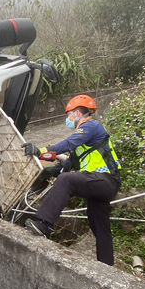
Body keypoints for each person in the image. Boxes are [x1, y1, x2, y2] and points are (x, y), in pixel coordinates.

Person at [22, 94, 121, 266]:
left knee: (67, 180)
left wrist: (39, 150)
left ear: (77, 113)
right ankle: (107, 266)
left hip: (105, 180)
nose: (68, 119)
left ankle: (44, 224)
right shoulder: (84, 143)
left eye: (69, 115)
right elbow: (67, 164)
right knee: (99, 224)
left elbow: (69, 144)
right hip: (100, 184)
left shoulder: (91, 126)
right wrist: (50, 171)